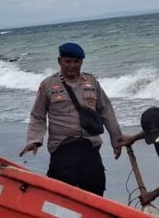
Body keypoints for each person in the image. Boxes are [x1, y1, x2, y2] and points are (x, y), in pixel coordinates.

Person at [20, 42, 123, 196]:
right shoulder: (48, 85)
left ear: (81, 62)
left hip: (90, 147)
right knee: (61, 195)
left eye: (76, 62)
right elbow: (38, 115)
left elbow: (106, 109)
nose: (72, 66)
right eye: (68, 61)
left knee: (96, 191)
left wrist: (116, 139)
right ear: (59, 61)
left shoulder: (91, 81)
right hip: (62, 148)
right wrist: (34, 140)